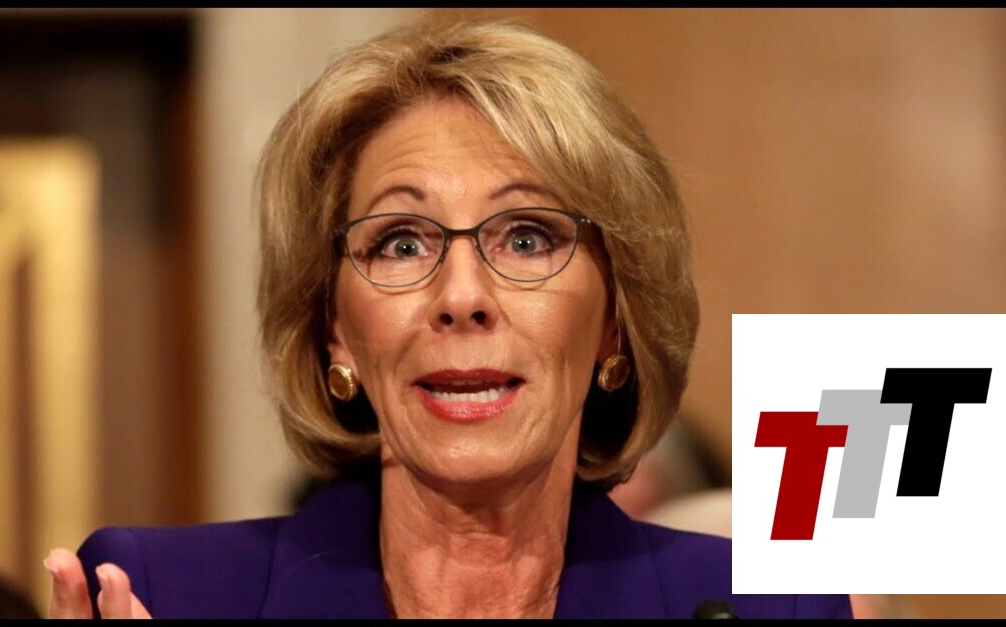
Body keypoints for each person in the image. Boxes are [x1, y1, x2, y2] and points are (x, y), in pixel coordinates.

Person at [43, 18, 854, 618]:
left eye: (527, 237)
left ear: (615, 318)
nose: (460, 295)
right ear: (333, 327)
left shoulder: (766, 607)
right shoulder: (162, 592)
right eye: (400, 242)